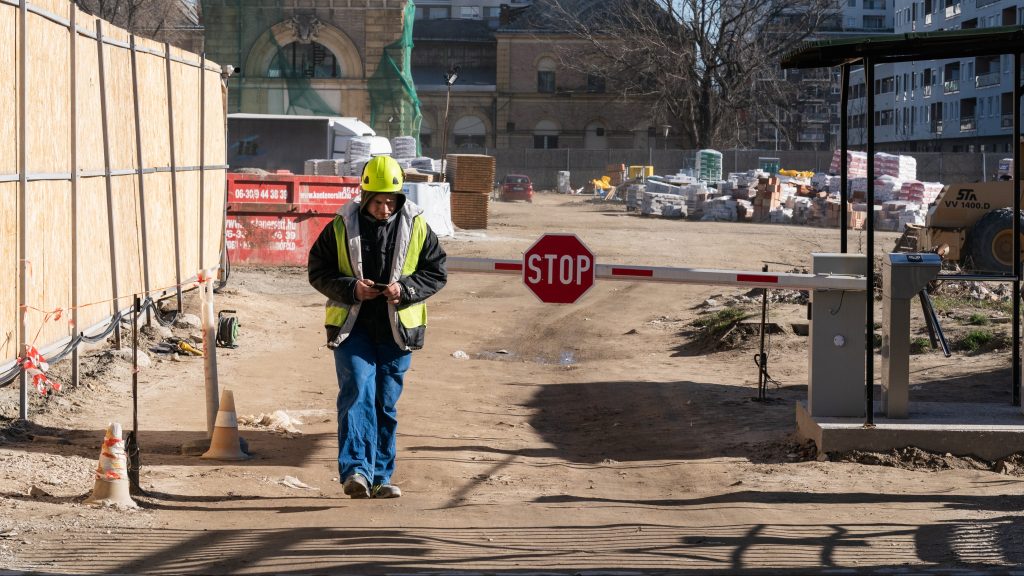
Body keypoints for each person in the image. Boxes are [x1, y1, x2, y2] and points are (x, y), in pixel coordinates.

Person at [308, 155, 447, 499]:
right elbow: (318, 270)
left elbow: (436, 270)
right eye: (378, 202)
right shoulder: (341, 225)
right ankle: (356, 470)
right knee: (357, 390)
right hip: (353, 328)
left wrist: (407, 290)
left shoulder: (416, 225)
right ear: (364, 197)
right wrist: (351, 288)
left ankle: (381, 476)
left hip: (397, 330)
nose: (385, 209)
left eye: (391, 202)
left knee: (384, 403)